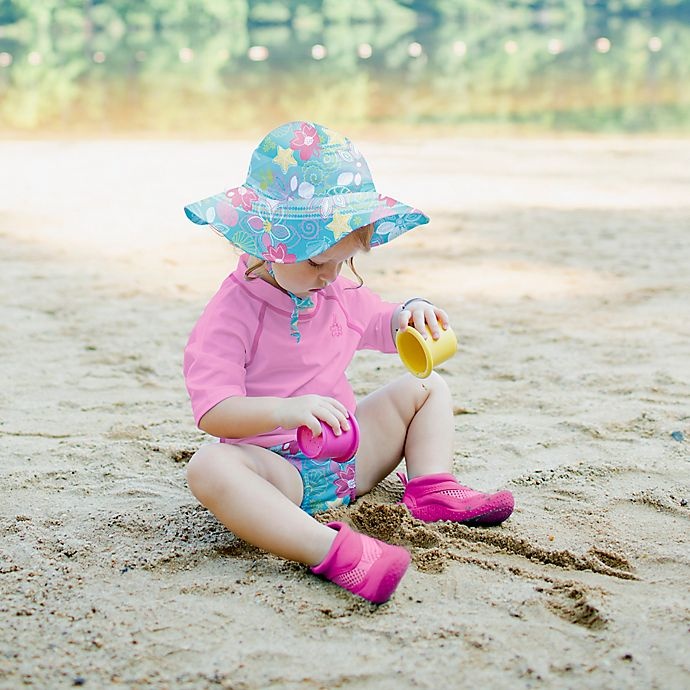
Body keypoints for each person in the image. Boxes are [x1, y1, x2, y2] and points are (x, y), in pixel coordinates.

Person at [182, 121, 514, 605]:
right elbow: (214, 411)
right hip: (278, 473)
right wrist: (284, 411)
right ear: (267, 242)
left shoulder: (335, 289)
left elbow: (381, 323)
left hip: (349, 457)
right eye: (318, 263)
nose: (330, 277)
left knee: (427, 388)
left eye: (344, 261)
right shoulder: (230, 314)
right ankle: (336, 552)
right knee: (209, 467)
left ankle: (431, 489)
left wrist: (410, 313)